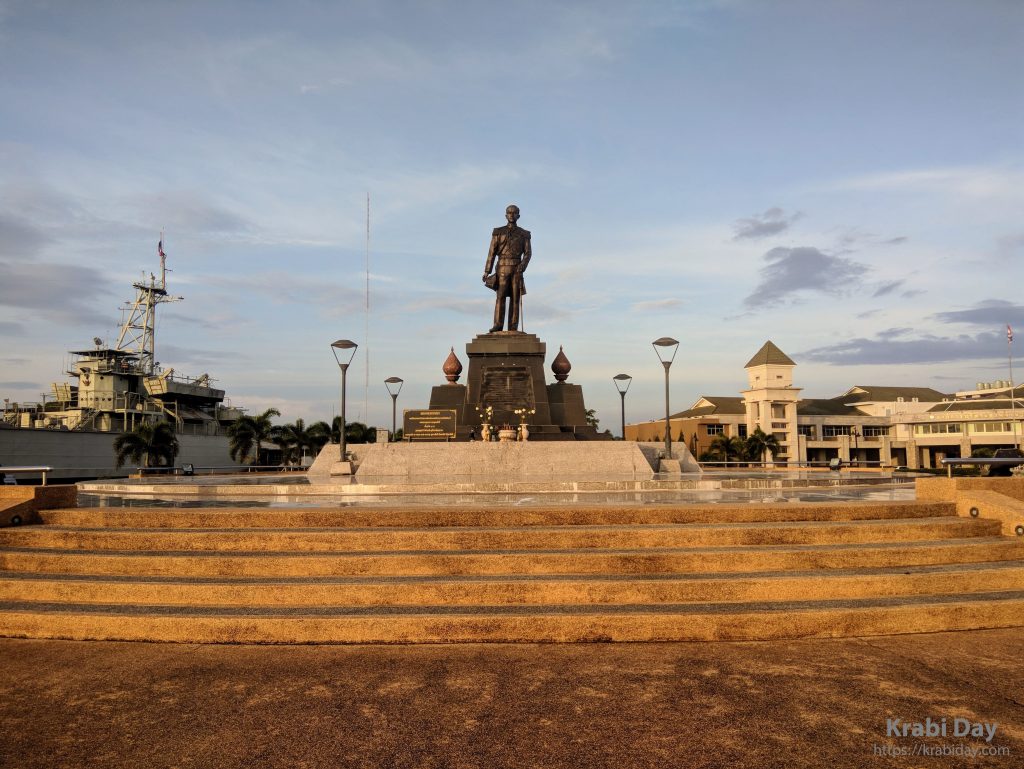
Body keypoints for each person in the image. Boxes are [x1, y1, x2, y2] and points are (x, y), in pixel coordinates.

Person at [483, 204, 531, 332]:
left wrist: (523, 265)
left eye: (514, 213)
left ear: (518, 216)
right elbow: (491, 253)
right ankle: (498, 325)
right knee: (501, 297)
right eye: (509, 213)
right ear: (505, 215)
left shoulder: (524, 234)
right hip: (502, 268)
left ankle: (513, 327)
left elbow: (528, 253)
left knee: (515, 298)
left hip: (517, 268)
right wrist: (487, 271)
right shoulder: (498, 232)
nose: (511, 215)